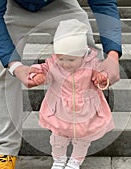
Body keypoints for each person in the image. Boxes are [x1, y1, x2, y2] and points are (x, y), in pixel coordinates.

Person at [0, 0, 122, 168]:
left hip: (60, 4)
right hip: (14, 7)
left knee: (87, 57)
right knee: (3, 68)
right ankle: (6, 151)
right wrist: (15, 67)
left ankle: (84, 134)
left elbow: (103, 3)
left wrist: (112, 56)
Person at [29, 19, 114, 169]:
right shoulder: (54, 64)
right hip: (60, 109)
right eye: (61, 58)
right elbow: (44, 71)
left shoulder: (92, 64)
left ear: (82, 55)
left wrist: (101, 78)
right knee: (58, 137)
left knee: (83, 139)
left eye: (71, 59)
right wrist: (38, 76)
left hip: (85, 110)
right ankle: (59, 159)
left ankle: (75, 160)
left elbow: (102, 75)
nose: (65, 63)